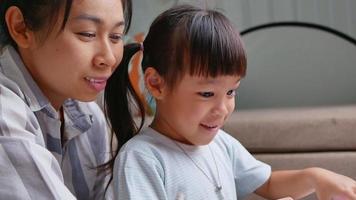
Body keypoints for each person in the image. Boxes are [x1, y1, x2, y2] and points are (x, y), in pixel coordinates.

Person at [105, 4, 356, 200]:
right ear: (156, 84)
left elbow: (267, 184)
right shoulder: (142, 159)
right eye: (206, 94)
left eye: (231, 92)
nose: (222, 109)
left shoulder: (220, 143)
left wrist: (315, 177)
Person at [0, 0, 132, 199]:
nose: (109, 58)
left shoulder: (89, 115)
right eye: (87, 33)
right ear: (21, 27)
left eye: (115, 37)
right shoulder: (5, 117)